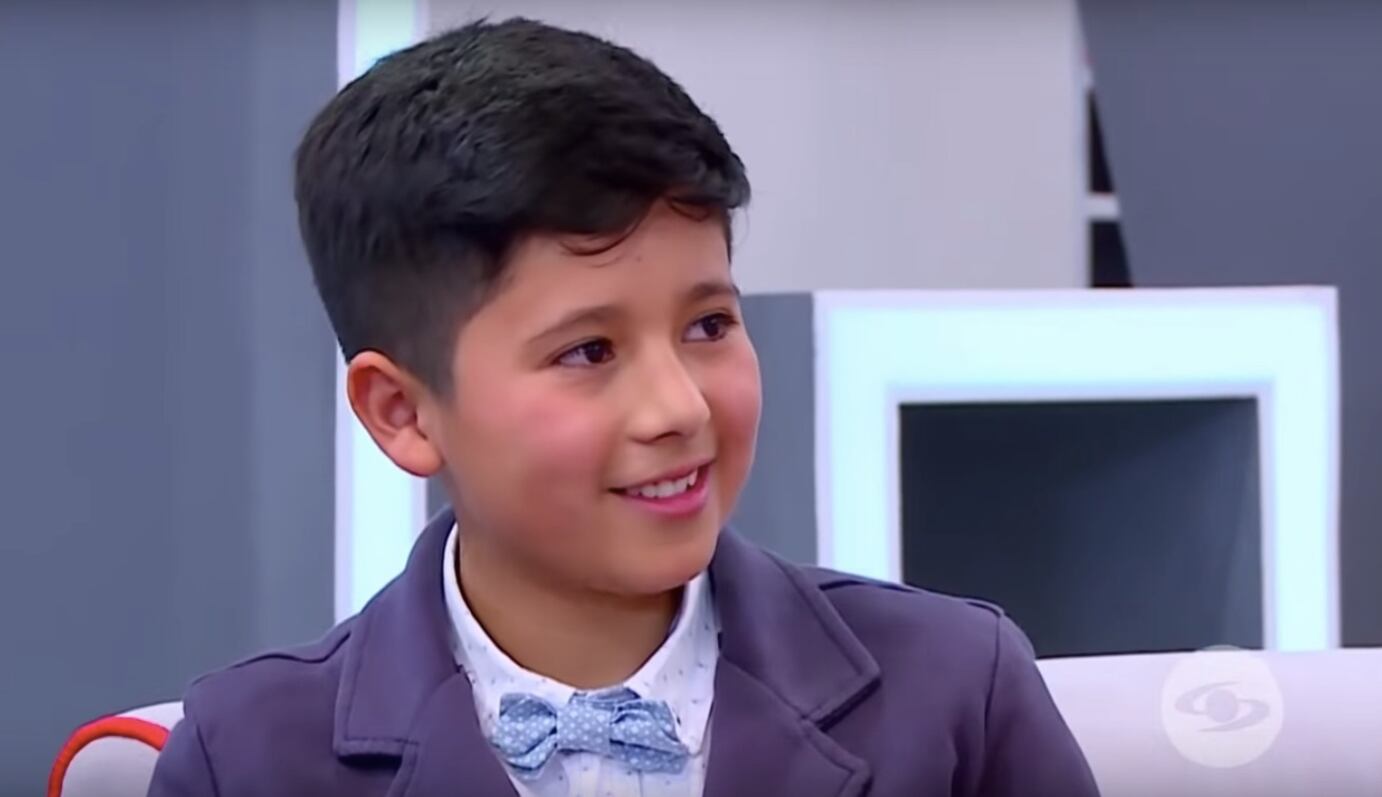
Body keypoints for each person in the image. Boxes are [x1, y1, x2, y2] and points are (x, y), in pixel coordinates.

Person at [148, 16, 1098, 797]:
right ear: (402, 411)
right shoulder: (250, 758)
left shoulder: (954, 694)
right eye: (589, 351)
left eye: (709, 325)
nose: (677, 407)